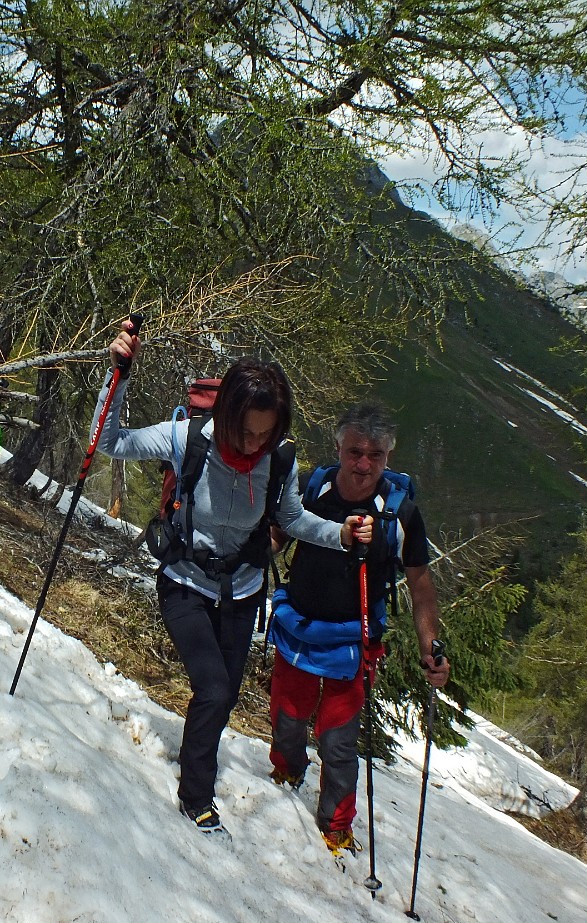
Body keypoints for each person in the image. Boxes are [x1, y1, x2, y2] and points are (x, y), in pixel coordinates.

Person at [96, 320, 372, 836]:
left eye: (267, 433)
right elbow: (111, 441)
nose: (255, 442)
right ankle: (196, 794)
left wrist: (340, 534)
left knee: (218, 696)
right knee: (215, 686)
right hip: (183, 580)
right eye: (247, 430)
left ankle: (197, 762)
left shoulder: (278, 460)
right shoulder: (188, 438)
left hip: (242, 592)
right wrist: (118, 376)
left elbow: (290, 519)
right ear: (225, 415)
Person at [267, 403, 451, 853]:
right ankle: (287, 773)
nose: (364, 464)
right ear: (339, 448)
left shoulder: (399, 513)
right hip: (300, 627)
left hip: (354, 641)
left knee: (338, 738)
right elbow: (278, 535)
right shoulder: (312, 487)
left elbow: (421, 586)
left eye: (375, 454)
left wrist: (434, 649)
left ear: (388, 456)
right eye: (355, 452)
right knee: (288, 717)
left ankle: (335, 824)